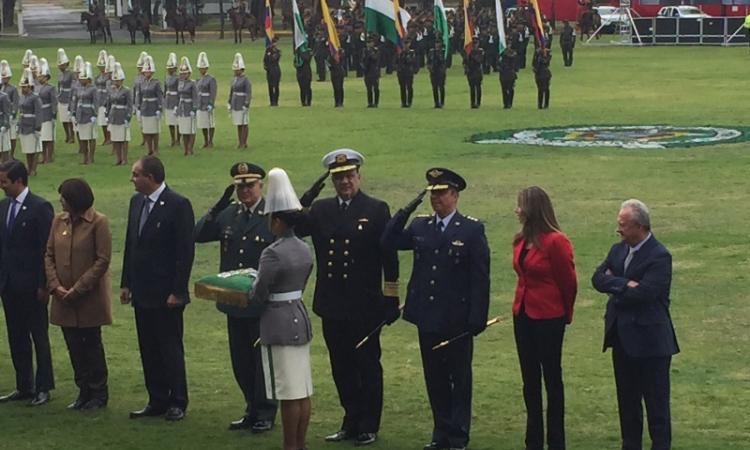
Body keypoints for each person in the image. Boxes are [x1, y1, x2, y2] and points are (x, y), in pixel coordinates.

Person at [295, 149, 400, 446]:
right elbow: (294, 225)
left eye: (349, 176)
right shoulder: (321, 209)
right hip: (332, 303)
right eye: (338, 177)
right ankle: (350, 419)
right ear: (332, 181)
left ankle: (369, 423)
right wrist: (306, 198)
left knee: (366, 365)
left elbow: (388, 256)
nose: (345, 182)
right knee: (340, 366)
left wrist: (391, 297)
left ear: (359, 176)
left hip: (365, 305)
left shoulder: (376, 209)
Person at [380, 168, 490, 450]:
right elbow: (388, 240)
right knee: (435, 379)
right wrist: (406, 210)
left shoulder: (471, 229)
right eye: (432, 193)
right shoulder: (420, 225)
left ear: (455, 195)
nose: (436, 198)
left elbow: (480, 277)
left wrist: (477, 317)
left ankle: (458, 436)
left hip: (457, 318)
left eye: (441, 193)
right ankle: (440, 432)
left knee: (460, 379)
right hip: (427, 316)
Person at [193, 162, 278, 433]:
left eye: (250, 185)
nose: (245, 191)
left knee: (261, 361)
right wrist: (217, 207)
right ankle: (250, 407)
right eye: (240, 187)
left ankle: (265, 411)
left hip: (260, 301)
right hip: (233, 301)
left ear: (260, 186)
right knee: (240, 360)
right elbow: (198, 234)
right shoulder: (228, 215)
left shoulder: (272, 215)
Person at [592, 199, 679, 450]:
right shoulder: (617, 249)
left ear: (638, 226)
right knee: (627, 403)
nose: (618, 229)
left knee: (656, 404)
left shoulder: (660, 256)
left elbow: (644, 294)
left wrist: (615, 284)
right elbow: (597, 278)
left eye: (622, 225)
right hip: (622, 338)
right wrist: (625, 284)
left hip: (652, 344)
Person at [121, 155, 195, 421]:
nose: (132, 179)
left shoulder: (178, 205)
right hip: (141, 291)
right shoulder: (136, 202)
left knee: (169, 348)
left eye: (135, 174)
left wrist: (178, 290)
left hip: (166, 293)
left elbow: (184, 252)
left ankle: (177, 400)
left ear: (150, 178)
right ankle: (156, 399)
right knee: (148, 347)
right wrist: (126, 282)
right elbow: (132, 244)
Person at [248, 168, 314, 450]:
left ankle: (290, 445)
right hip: (298, 315)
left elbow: (260, 292)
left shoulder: (272, 252)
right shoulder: (303, 247)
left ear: (277, 221)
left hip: (277, 321)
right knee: (302, 390)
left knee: (287, 392)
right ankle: (299, 443)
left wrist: (249, 292)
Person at [512, 186, 577, 450]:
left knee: (551, 378)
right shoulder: (520, 239)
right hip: (523, 314)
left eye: (520, 205)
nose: (516, 210)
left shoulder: (556, 241)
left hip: (549, 316)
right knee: (529, 380)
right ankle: (534, 440)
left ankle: (556, 441)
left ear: (532, 209)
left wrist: (565, 315)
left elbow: (569, 282)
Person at [44, 178, 112, 411]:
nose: (60, 200)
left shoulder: (98, 223)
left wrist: (78, 288)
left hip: (88, 297)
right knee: (72, 344)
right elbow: (49, 254)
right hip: (63, 296)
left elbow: (102, 260)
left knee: (91, 344)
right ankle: (83, 390)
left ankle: (99, 392)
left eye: (64, 196)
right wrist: (55, 285)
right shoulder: (58, 221)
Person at [0, 160, 55, 407]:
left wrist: (44, 284)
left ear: (18, 181)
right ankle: (24, 385)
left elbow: (46, 249)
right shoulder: (3, 208)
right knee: (16, 336)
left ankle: (43, 386)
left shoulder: (39, 207)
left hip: (33, 285)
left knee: (39, 336)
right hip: (8, 284)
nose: (1, 187)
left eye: (4, 182)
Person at [71, 62, 99, 165]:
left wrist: (95, 115)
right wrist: (73, 114)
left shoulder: (93, 89)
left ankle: (91, 156)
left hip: (89, 114)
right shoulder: (78, 88)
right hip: (79, 114)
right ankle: (84, 156)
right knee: (82, 137)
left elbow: (96, 103)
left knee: (90, 137)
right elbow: (75, 101)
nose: (81, 80)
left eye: (84, 78)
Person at [16, 69, 43, 176]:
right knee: (27, 149)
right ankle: (28, 167)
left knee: (34, 148)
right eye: (22, 86)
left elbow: (39, 112)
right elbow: (20, 111)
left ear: (30, 86)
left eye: (25, 86)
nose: (23, 88)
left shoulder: (35, 98)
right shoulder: (22, 97)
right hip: (23, 124)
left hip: (31, 124)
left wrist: (38, 126)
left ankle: (33, 168)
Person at [107, 63, 133, 166]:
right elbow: (109, 103)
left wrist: (128, 117)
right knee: (115, 139)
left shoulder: (126, 91)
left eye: (117, 80)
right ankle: (118, 158)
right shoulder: (112, 90)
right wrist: (107, 115)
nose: (116, 82)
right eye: (114, 80)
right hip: (114, 115)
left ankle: (124, 158)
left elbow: (130, 104)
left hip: (122, 115)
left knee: (124, 139)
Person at [139, 56, 162, 157]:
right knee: (147, 130)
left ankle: (155, 148)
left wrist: (160, 108)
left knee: (154, 130)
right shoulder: (142, 83)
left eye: (149, 72)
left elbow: (160, 96)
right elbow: (139, 95)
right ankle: (149, 149)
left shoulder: (156, 83)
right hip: (145, 108)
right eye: (145, 72)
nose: (147, 74)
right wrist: (139, 107)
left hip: (153, 107)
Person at [175, 57, 198, 156]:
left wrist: (194, 109)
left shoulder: (192, 84)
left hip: (189, 108)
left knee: (191, 130)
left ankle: (190, 148)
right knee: (184, 130)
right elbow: (178, 96)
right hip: (182, 108)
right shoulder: (180, 83)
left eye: (185, 73)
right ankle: (185, 148)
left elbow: (195, 97)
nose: (183, 75)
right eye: (182, 73)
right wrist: (176, 107)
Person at [229, 53, 251, 149]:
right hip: (235, 103)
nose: (236, 71)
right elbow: (231, 91)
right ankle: (239, 141)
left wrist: (247, 103)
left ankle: (244, 142)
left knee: (244, 123)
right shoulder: (233, 79)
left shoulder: (245, 79)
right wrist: (229, 102)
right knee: (238, 123)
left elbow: (248, 92)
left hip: (242, 102)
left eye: (237, 70)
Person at [195, 52, 216, 149]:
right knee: (202, 123)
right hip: (200, 102)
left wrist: (211, 103)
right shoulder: (198, 79)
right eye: (200, 68)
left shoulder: (211, 79)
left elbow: (213, 92)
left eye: (203, 68)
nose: (202, 70)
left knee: (210, 123)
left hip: (207, 101)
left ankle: (211, 140)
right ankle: (205, 140)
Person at [1, 60, 19, 160]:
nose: (4, 79)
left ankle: (11, 154)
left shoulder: (13, 89)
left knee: (12, 136)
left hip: (10, 114)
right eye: (3, 77)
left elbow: (15, 103)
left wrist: (13, 114)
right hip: (2, 115)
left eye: (6, 77)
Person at [56, 49, 76, 144]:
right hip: (61, 97)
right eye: (59, 65)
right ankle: (67, 135)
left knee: (69, 119)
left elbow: (73, 85)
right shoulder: (59, 74)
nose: (61, 67)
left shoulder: (71, 74)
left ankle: (72, 135)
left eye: (62, 65)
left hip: (68, 96)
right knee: (63, 119)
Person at [94, 51, 111, 146]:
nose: (101, 68)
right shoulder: (97, 76)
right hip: (99, 99)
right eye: (100, 67)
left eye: (103, 66)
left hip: (106, 98)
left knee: (107, 120)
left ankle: (110, 137)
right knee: (102, 121)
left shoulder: (109, 77)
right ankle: (106, 138)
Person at [163, 53, 180, 147]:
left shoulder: (178, 78)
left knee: (177, 122)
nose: (169, 69)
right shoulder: (166, 77)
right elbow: (165, 89)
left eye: (171, 68)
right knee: (170, 121)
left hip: (175, 98)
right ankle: (172, 139)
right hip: (168, 100)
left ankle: (178, 139)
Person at [395, 37, 417, 108]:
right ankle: (403, 102)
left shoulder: (411, 52)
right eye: (404, 43)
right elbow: (396, 62)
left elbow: (413, 61)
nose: (406, 45)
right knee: (402, 88)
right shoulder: (400, 52)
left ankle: (409, 102)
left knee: (409, 87)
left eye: (407, 43)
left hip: (409, 71)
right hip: (401, 72)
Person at [463, 37, 484, 109]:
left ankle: (478, 102)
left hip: (477, 71)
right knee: (472, 88)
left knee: (478, 87)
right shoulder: (468, 52)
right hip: (471, 71)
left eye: (476, 43)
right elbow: (465, 62)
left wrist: (471, 54)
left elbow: (479, 60)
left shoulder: (480, 51)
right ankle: (472, 102)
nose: (475, 45)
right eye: (474, 43)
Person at [427, 39, 447, 108]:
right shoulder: (431, 52)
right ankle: (436, 102)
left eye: (438, 43)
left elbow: (445, 62)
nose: (437, 45)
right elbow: (428, 62)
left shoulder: (443, 52)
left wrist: (443, 69)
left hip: (440, 71)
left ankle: (442, 102)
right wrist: (430, 68)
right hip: (433, 72)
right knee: (434, 87)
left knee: (441, 87)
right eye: (436, 43)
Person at [133, 52, 148, 147]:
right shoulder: (136, 78)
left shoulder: (147, 78)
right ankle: (143, 138)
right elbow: (134, 90)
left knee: (146, 121)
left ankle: (147, 138)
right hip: (138, 101)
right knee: (140, 121)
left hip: (145, 101)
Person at [361, 38, 380, 108]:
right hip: (367, 72)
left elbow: (374, 58)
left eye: (370, 42)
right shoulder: (364, 51)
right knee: (368, 88)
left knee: (375, 88)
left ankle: (376, 102)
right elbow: (362, 60)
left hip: (374, 71)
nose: (368, 44)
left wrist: (370, 53)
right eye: (367, 42)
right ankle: (370, 102)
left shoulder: (375, 51)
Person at [264, 37, 282, 107]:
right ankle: (271, 101)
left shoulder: (278, 52)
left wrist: (270, 53)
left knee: (276, 86)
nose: (274, 44)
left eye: (275, 42)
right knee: (270, 86)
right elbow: (265, 60)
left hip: (275, 70)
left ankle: (276, 101)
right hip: (269, 71)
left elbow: (274, 58)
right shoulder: (268, 50)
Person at [0, 82, 10, 158]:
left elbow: (6, 112)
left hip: (1, 123)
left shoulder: (4, 96)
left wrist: (5, 124)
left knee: (4, 147)